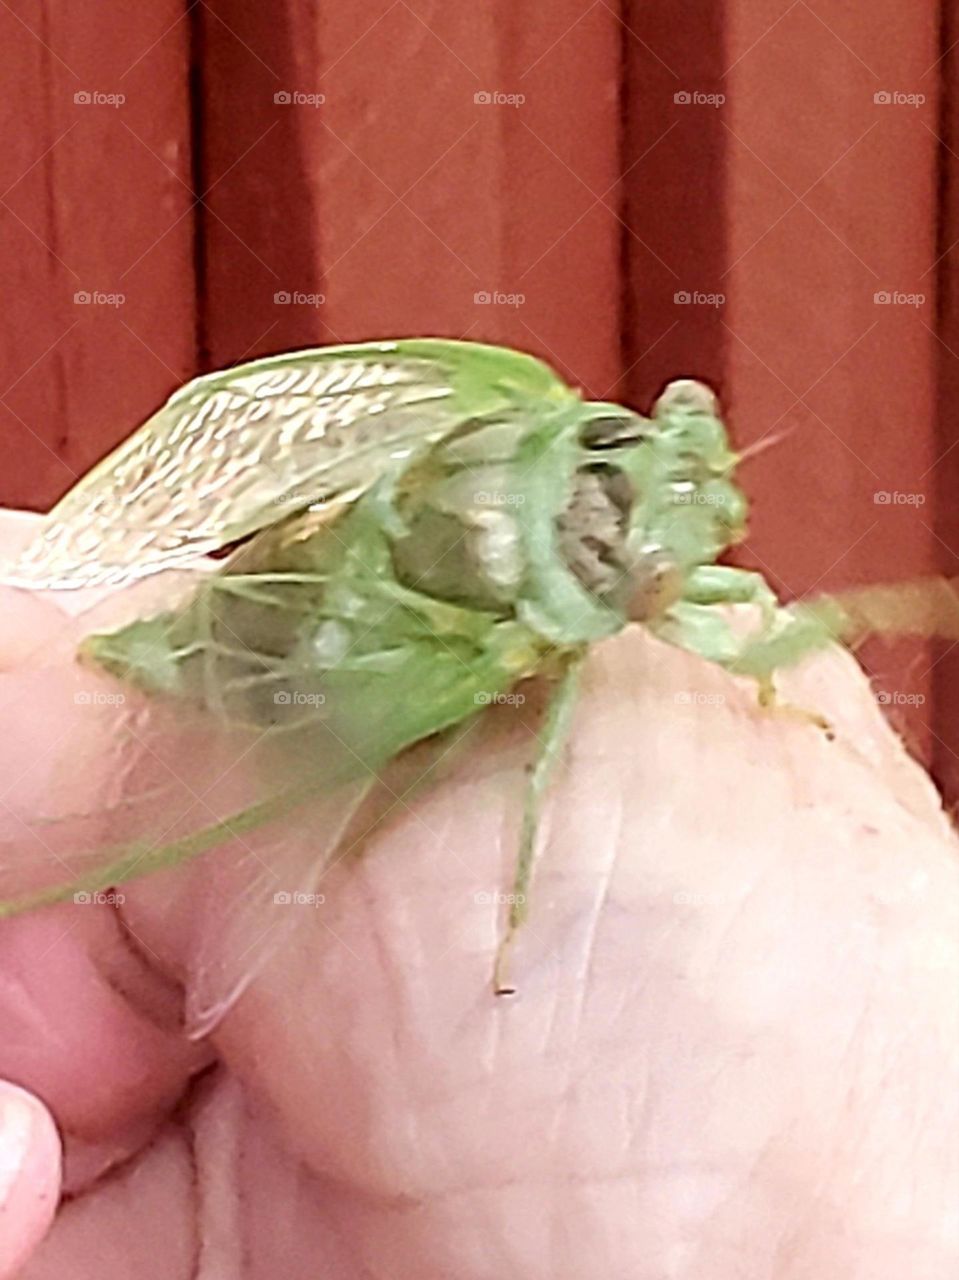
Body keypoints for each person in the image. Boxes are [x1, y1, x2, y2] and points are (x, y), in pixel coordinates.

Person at [0, 509, 955, 1279]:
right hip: (288, 667)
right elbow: (520, 779)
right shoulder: (519, 662)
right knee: (428, 755)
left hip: (291, 597)